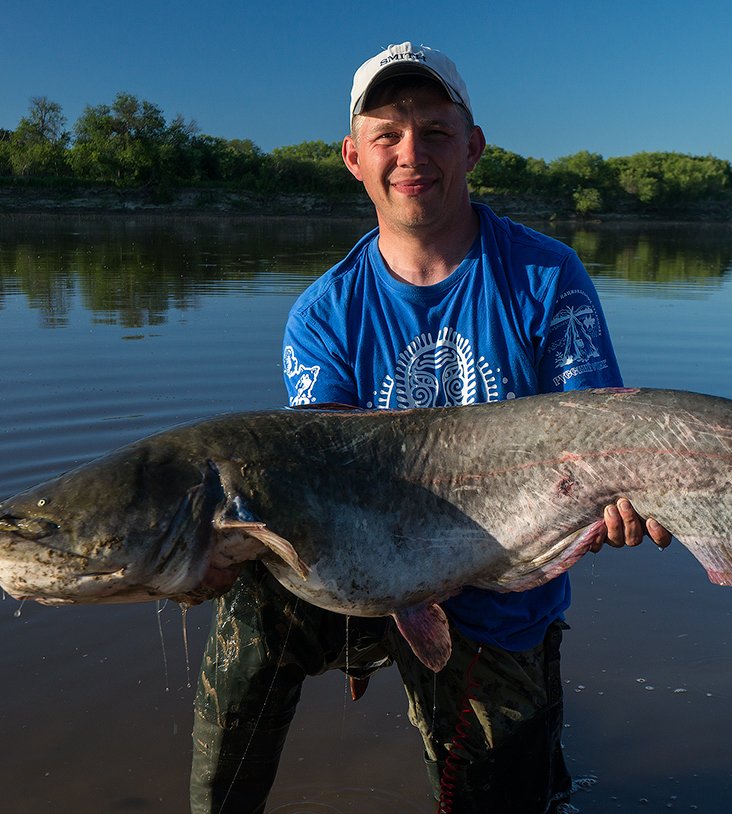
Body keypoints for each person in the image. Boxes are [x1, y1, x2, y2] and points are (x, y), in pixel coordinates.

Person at [190, 41, 671, 814]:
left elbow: (602, 443)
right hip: (357, 575)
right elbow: (310, 484)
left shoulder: (548, 278)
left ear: (473, 146)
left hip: (497, 588)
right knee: (252, 607)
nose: (411, 155)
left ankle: (533, 762)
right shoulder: (322, 314)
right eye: (387, 135)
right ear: (353, 156)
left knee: (509, 796)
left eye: (436, 133)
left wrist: (614, 505)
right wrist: (209, 551)